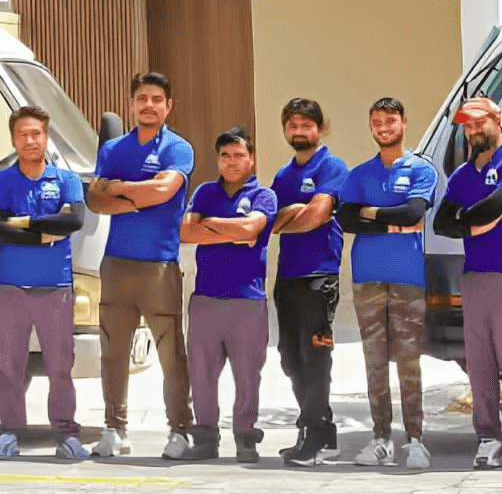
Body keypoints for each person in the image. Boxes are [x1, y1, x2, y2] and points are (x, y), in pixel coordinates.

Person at [83, 71, 195, 458]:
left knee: (170, 354)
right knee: (113, 352)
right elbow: (95, 201)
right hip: (116, 264)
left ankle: (179, 431)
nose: (149, 105)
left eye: (157, 99)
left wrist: (118, 189)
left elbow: (164, 190)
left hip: (159, 266)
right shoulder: (114, 149)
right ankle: (114, 429)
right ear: (132, 104)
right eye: (142, 99)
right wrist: (139, 196)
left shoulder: (179, 148)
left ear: (168, 106)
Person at [332, 97, 437, 468]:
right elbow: (346, 219)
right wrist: (390, 221)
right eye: (376, 121)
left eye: (390, 120)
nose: (383, 127)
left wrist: (370, 212)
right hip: (367, 276)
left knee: (408, 361)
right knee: (374, 361)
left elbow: (413, 212)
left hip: (408, 276)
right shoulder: (359, 174)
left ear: (403, 122)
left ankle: (415, 440)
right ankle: (380, 438)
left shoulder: (421, 169)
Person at [433, 97, 502, 471]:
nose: (474, 130)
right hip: (475, 276)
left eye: (480, 122)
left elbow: (497, 205)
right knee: (479, 364)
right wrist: (470, 225)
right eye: (468, 125)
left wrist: (464, 220)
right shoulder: (462, 176)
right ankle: (488, 437)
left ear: (497, 121)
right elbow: (440, 223)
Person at [0, 104, 91, 459]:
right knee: (9, 366)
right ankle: (9, 433)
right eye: (22, 135)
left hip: (55, 287)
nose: (30, 141)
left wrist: (23, 223)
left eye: (36, 134)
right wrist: (45, 233)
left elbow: (73, 222)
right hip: (10, 287)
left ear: (46, 136)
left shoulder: (66, 180)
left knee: (60, 367)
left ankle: (66, 434)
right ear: (13, 139)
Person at [174, 128, 276, 463]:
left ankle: (246, 440)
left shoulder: (264, 196)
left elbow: (251, 229)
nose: (231, 162)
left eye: (238, 155)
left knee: (248, 377)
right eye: (225, 156)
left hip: (247, 301)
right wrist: (233, 229)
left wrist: (211, 226)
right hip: (205, 299)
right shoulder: (204, 192)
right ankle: (205, 441)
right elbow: (186, 231)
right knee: (202, 376)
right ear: (218, 160)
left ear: (251, 159)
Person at [269, 97, 349, 465]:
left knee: (315, 357)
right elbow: (269, 223)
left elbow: (317, 214)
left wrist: (295, 215)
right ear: (285, 130)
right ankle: (322, 430)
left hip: (320, 277)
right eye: (293, 125)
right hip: (287, 276)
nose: (299, 131)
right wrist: (293, 214)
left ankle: (313, 436)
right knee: (290, 358)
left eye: (306, 125)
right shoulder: (283, 176)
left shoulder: (332, 166)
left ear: (320, 128)